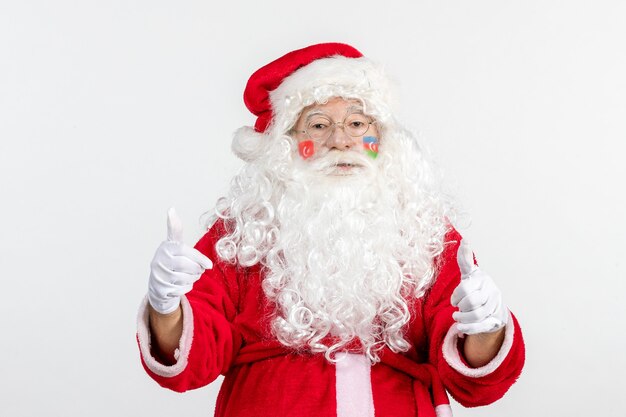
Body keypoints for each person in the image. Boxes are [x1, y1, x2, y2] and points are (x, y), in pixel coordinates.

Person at [137, 43, 525, 417]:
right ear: (287, 143)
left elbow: (475, 379)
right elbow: (192, 359)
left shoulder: (422, 226)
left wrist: (486, 327)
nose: (341, 141)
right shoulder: (246, 230)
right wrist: (166, 308)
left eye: (357, 123)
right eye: (319, 125)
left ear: (382, 136)